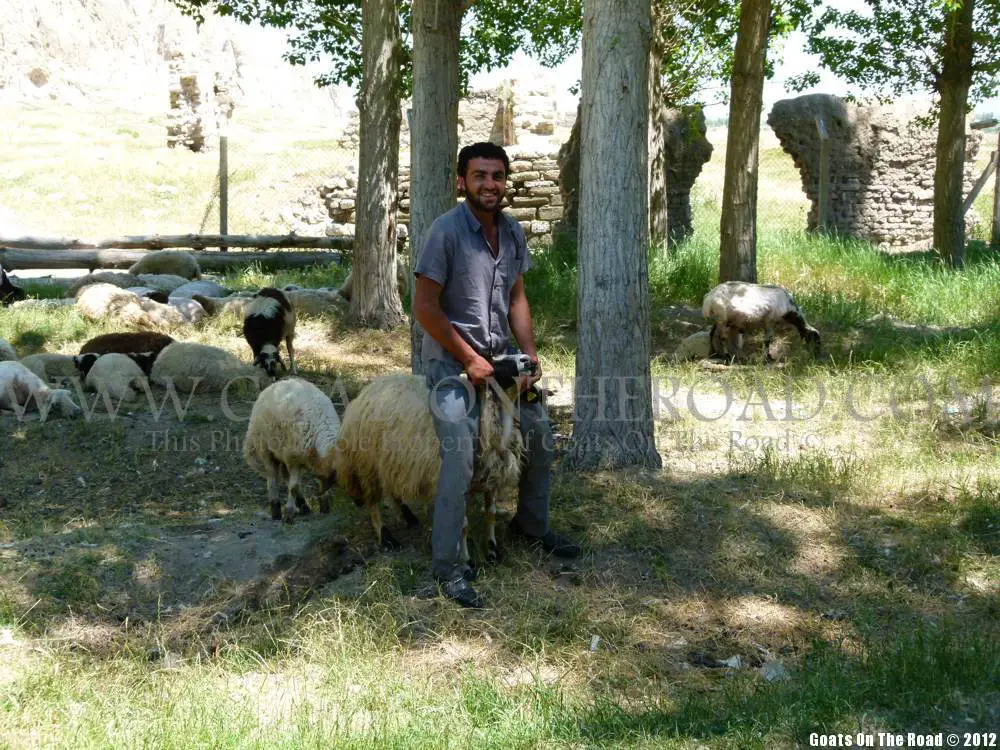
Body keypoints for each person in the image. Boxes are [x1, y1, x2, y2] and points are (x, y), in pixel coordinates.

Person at [413, 141, 581, 609]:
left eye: (498, 176)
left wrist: (527, 357)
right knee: (460, 455)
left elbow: (516, 299)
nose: (491, 184)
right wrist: (467, 358)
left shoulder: (510, 231)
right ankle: (448, 567)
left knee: (541, 438)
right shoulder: (444, 232)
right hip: (453, 367)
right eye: (480, 175)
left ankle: (530, 527)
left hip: (502, 362)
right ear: (462, 181)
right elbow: (424, 308)